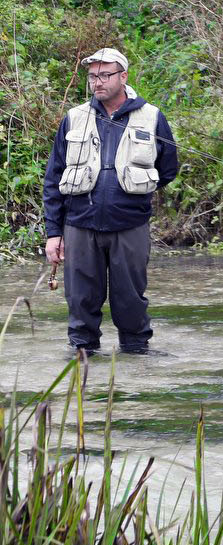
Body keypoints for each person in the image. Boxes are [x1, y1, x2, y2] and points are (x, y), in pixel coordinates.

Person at [42, 48, 179, 356]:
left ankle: (135, 360)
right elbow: (53, 179)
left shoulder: (152, 116)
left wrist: (132, 196)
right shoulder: (74, 118)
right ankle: (82, 359)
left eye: (105, 75)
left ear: (123, 76)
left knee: (130, 297)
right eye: (93, 76)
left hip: (130, 224)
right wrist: (54, 233)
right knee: (80, 298)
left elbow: (168, 169)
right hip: (79, 224)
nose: (97, 82)